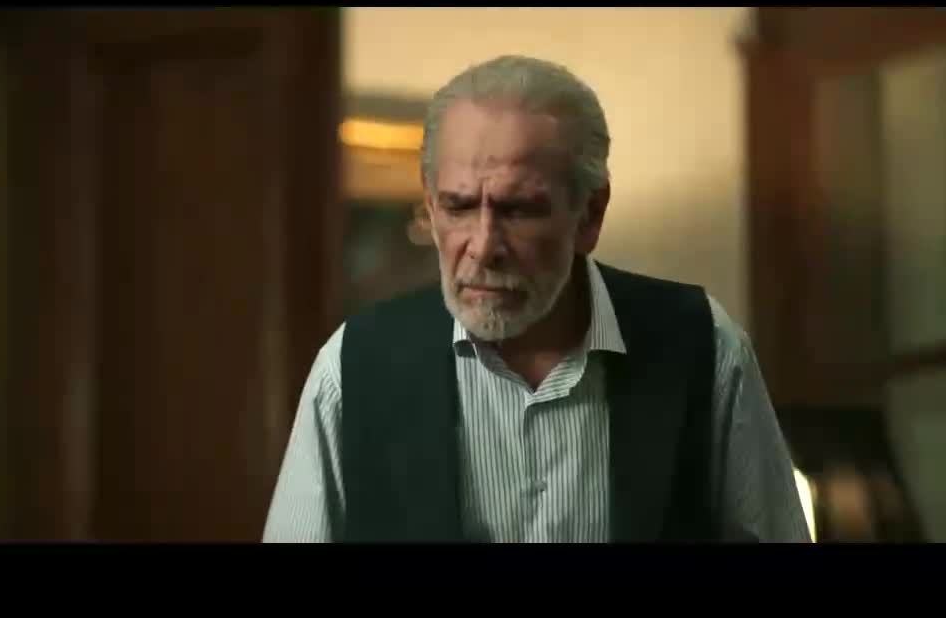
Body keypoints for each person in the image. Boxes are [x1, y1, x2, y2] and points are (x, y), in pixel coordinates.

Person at [263, 54, 811, 543]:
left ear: (589, 215)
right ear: (429, 207)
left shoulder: (701, 346)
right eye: (458, 207)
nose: (483, 247)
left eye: (519, 210)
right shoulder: (355, 367)